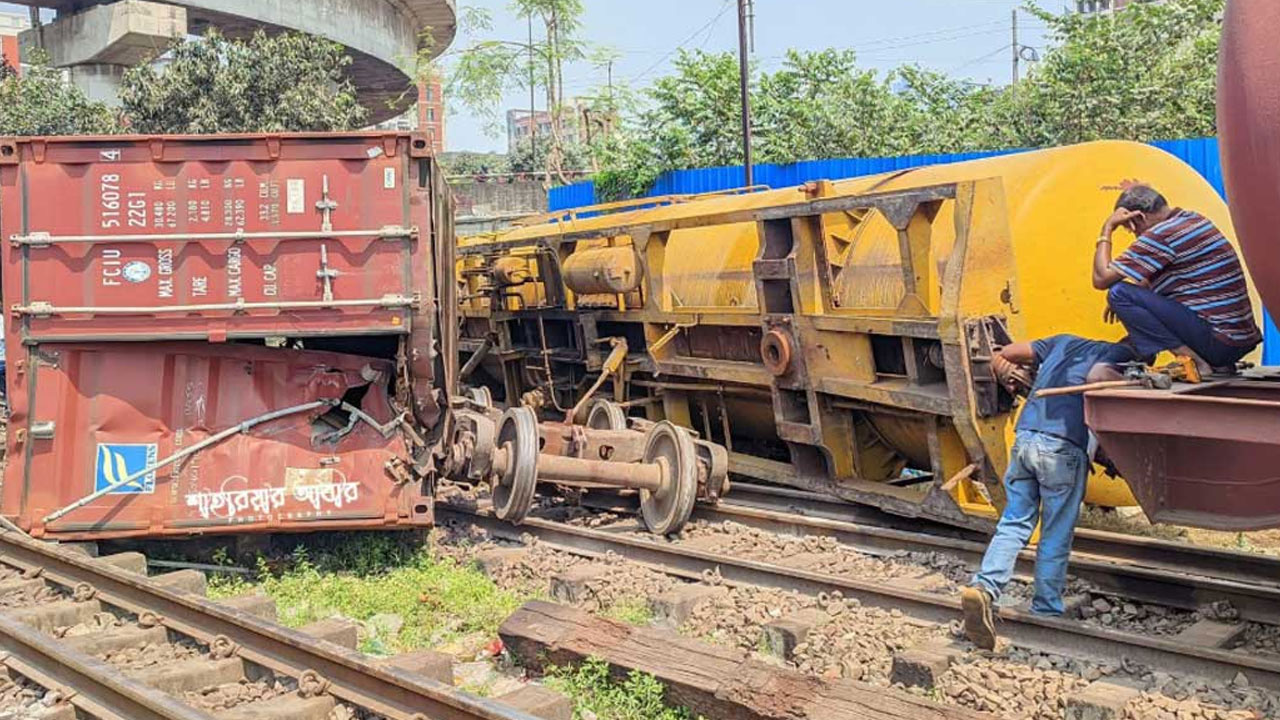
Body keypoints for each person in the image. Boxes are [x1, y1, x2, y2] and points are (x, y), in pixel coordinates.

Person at [960, 334, 1134, 651]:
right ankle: (1046, 606)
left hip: (1025, 438)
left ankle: (984, 587)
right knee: (1056, 531)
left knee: (1015, 522)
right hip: (1063, 447)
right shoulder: (1121, 354)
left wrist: (1031, 376)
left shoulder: (1063, 342)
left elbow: (1007, 352)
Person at [1092, 184, 1261, 377]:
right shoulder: (1192, 220)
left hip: (1220, 340)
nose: (1137, 236)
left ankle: (1194, 363)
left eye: (1131, 229)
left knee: (1119, 292)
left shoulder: (1162, 234)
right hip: (1237, 340)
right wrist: (1134, 299)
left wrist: (1106, 229)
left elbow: (1101, 278)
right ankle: (1216, 364)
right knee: (1126, 294)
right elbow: (1160, 282)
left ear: (1139, 218)